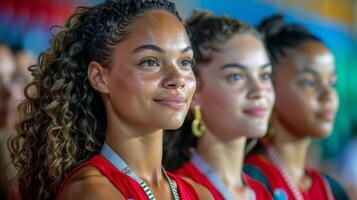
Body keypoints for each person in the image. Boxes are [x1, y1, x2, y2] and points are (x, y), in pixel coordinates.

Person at [9, 1, 213, 199]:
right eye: (150, 62)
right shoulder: (92, 192)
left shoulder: (200, 194)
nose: (177, 79)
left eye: (185, 62)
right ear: (99, 77)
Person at [164, 11, 275, 199]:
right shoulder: (177, 192)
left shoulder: (263, 192)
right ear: (194, 92)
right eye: (236, 76)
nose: (259, 91)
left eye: (264, 76)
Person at [244, 15, 349, 200]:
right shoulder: (249, 182)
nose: (328, 95)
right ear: (268, 87)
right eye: (309, 82)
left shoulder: (333, 190)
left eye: (332, 83)